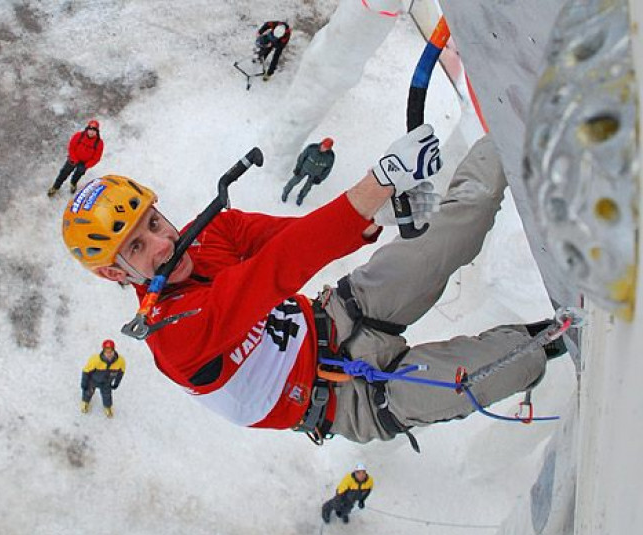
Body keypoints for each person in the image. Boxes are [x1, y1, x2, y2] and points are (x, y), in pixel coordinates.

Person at [61, 125, 567, 448]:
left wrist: (380, 216)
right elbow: (277, 269)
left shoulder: (213, 232)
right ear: (115, 274)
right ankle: (565, 333)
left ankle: (508, 124)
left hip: (339, 317)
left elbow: (293, 238)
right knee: (490, 371)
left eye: (153, 222)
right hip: (348, 402)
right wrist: (376, 183)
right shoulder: (174, 335)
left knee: (456, 226)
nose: (162, 244)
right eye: (135, 248)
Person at [47, 119, 104, 197]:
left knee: (78, 174)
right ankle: (55, 187)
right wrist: (74, 159)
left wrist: (86, 166)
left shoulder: (99, 143)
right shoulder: (78, 135)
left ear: (97, 131)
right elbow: (71, 148)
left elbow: (96, 158)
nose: (91, 132)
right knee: (63, 173)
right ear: (87, 129)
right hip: (73, 159)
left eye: (94, 130)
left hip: (84, 163)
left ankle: (73, 183)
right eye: (90, 129)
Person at [282, 137, 336, 205]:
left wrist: (320, 178)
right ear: (321, 143)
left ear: (329, 149)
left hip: (315, 175)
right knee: (293, 181)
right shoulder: (311, 148)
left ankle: (301, 196)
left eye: (326, 148)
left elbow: (327, 170)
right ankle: (286, 191)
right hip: (304, 169)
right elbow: (302, 157)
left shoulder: (330, 157)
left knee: (307, 188)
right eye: (323, 146)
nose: (323, 148)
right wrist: (298, 168)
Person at [80, 339, 126, 418]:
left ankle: (107, 407)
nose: (109, 354)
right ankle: (85, 402)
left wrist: (116, 383)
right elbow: (86, 371)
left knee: (107, 396)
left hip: (106, 383)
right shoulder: (95, 359)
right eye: (106, 352)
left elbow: (121, 373)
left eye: (110, 351)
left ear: (114, 350)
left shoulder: (120, 361)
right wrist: (84, 382)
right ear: (103, 351)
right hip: (93, 380)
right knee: (88, 392)